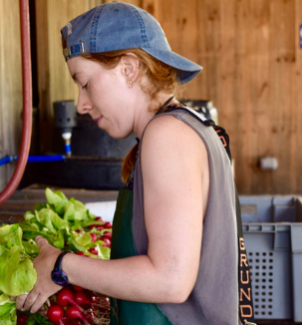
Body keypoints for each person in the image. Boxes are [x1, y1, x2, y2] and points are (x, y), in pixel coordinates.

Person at [13, 3, 253, 325]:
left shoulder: (167, 135)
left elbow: (170, 280)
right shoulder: (182, 128)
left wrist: (61, 266)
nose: (81, 104)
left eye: (84, 83)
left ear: (129, 68)